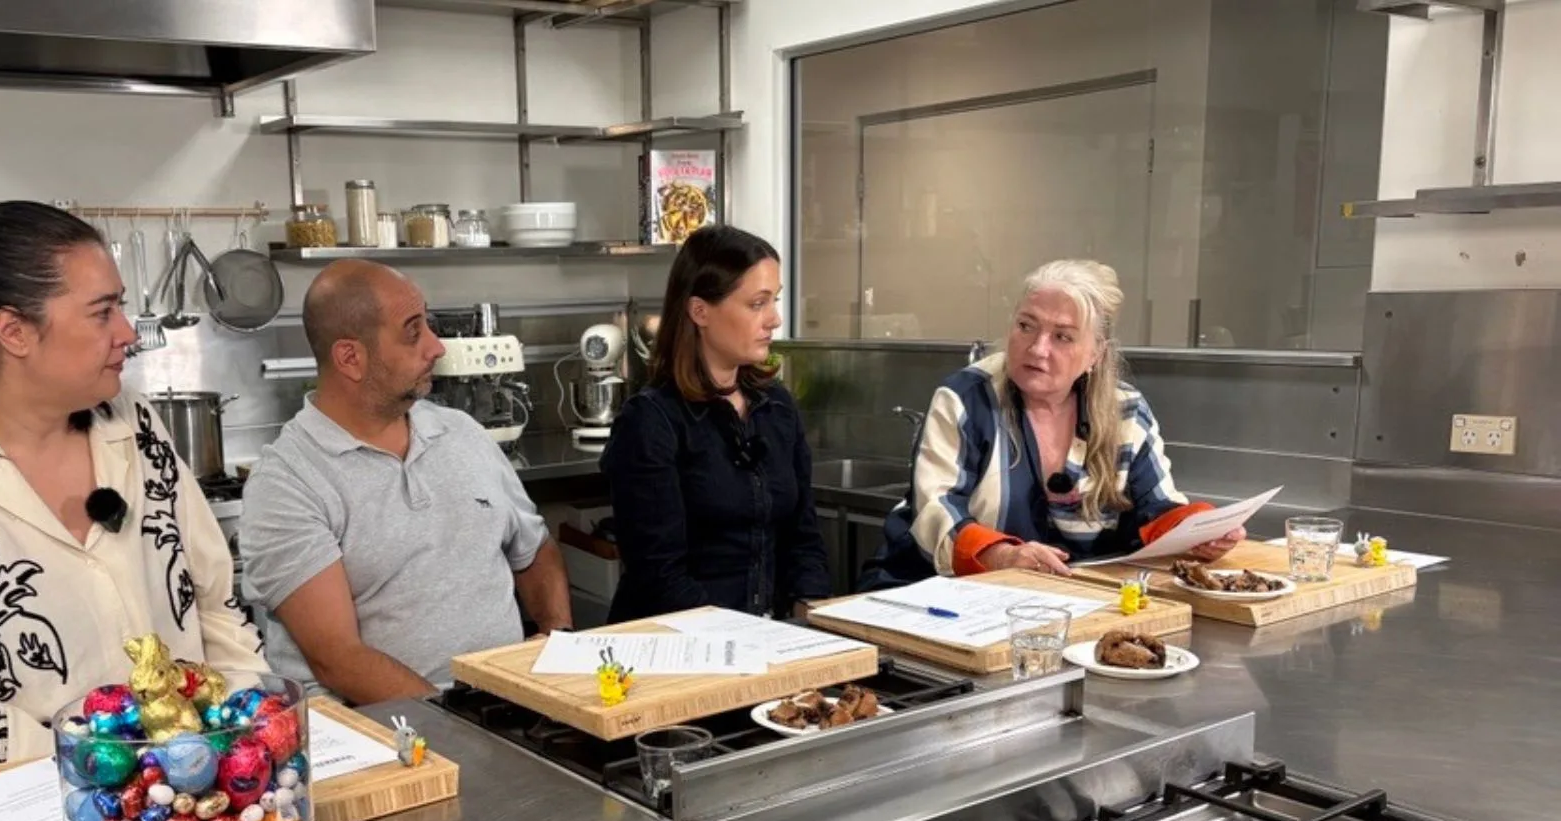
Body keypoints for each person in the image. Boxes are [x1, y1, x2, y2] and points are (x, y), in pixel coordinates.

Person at [0, 201, 265, 807]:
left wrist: (242, 733)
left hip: (176, 802)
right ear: (13, 332)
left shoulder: (133, 427)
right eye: (102, 312)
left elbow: (215, 606)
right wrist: (124, 783)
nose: (126, 332)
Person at [238, 260, 573, 704]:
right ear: (350, 358)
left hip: (501, 715)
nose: (436, 347)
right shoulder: (288, 481)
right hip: (383, 739)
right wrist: (468, 722)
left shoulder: (462, 433)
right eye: (413, 332)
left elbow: (534, 552)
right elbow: (338, 659)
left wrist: (558, 641)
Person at [858, 258, 1241, 587]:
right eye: (1026, 326)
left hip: (1062, 603)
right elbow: (936, 511)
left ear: (1095, 354)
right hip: (932, 595)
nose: (1038, 348)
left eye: (1062, 337)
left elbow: (1156, 509)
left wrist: (1204, 531)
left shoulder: (1126, 412)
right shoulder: (966, 399)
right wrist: (1002, 556)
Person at [601, 225, 830, 622]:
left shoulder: (776, 406)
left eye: (774, 300)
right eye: (757, 304)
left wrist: (811, 616)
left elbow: (803, 538)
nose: (774, 319)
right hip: (678, 644)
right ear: (700, 311)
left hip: (767, 638)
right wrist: (745, 640)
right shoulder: (651, 421)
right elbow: (660, 576)